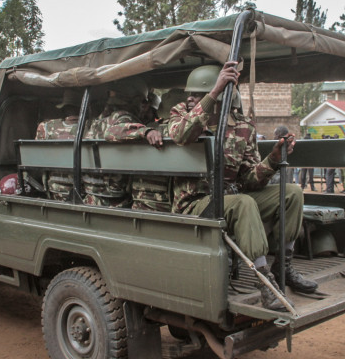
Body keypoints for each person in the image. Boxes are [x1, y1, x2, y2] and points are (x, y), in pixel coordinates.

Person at [169, 62, 318, 310]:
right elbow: (180, 136)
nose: (191, 98)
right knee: (244, 202)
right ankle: (265, 283)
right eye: (192, 93)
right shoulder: (182, 114)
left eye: (197, 93)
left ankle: (284, 265)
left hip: (229, 199)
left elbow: (249, 179)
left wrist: (272, 159)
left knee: (291, 193)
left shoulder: (242, 128)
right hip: (195, 203)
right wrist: (213, 93)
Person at [83, 77, 162, 208]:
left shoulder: (100, 119)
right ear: (136, 99)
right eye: (143, 101)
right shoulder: (124, 116)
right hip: (114, 200)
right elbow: (113, 132)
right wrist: (145, 131)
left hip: (93, 195)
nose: (144, 105)